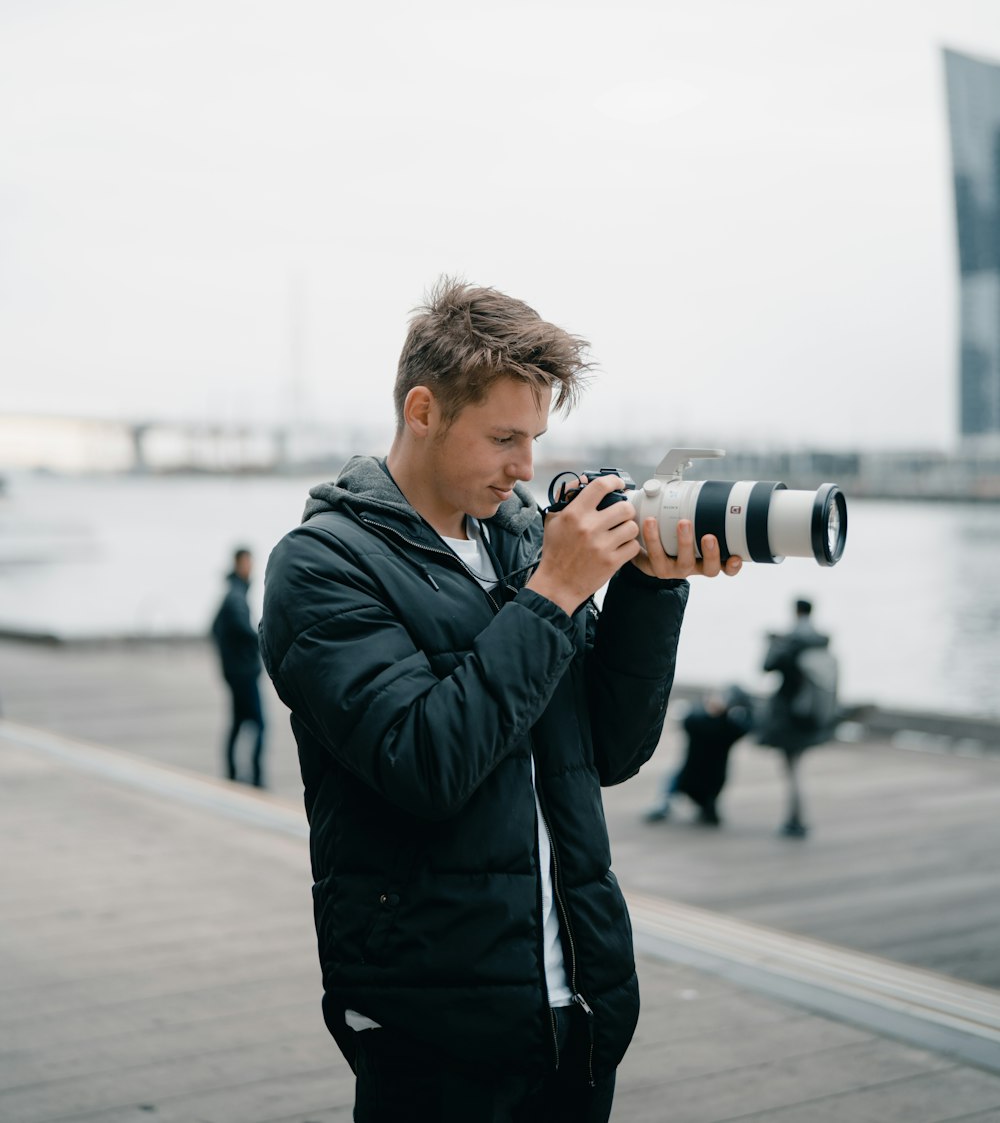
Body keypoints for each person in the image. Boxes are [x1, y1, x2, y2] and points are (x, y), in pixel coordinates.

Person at [258, 279, 742, 1122]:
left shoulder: (522, 538)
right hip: (430, 1027)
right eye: (505, 437)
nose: (527, 465)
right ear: (423, 409)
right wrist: (553, 595)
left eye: (538, 437)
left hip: (579, 1011)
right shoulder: (321, 565)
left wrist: (647, 593)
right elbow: (425, 764)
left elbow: (611, 753)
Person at [757, 598, 838, 837]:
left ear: (794, 611)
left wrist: (772, 643)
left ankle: (796, 820)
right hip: (811, 713)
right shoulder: (820, 642)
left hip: (789, 716)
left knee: (791, 769)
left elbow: (767, 666)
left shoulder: (790, 642)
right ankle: (796, 818)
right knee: (796, 768)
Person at [644, 686, 754, 826]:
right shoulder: (728, 726)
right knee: (674, 783)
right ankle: (665, 804)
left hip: (699, 778)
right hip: (705, 778)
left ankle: (665, 805)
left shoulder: (709, 724)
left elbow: (688, 719)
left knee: (675, 784)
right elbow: (746, 727)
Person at [210, 547, 265, 788]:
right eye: (246, 562)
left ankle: (232, 773)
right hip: (243, 673)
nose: (250, 567)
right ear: (237, 564)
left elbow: (214, 628)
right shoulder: (235, 596)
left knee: (238, 722)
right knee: (259, 724)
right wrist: (264, 642)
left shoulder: (233, 593)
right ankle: (256, 777)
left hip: (236, 672)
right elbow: (245, 632)